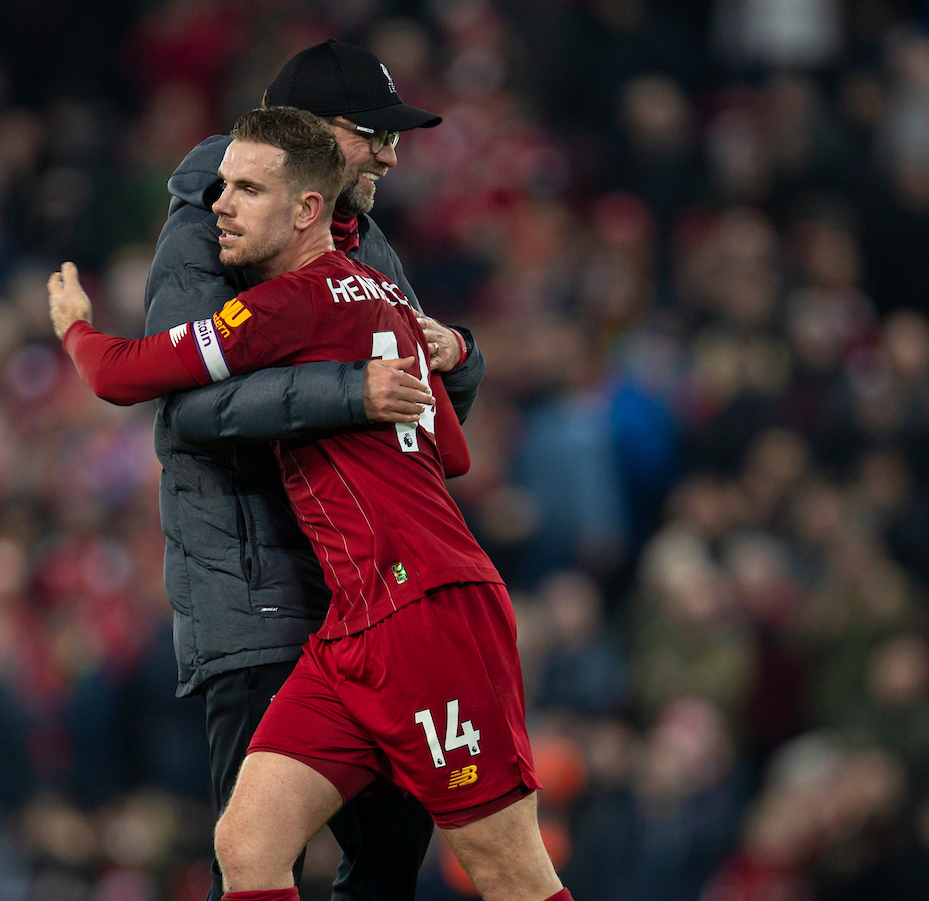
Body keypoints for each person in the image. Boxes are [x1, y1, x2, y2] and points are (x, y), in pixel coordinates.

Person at [49, 106, 571, 901]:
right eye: (221, 186)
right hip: (353, 623)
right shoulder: (384, 299)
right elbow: (453, 452)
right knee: (248, 844)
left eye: (247, 190)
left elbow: (123, 374)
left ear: (305, 209)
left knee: (508, 871)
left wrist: (76, 330)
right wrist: (432, 358)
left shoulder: (296, 303)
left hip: (428, 612)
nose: (218, 204)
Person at [142, 40, 485, 901]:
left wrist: (462, 358)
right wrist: (350, 391)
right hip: (258, 598)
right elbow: (184, 406)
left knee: (396, 839)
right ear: (310, 136)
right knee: (258, 859)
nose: (392, 154)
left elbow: (417, 432)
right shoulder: (203, 228)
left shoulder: (363, 241)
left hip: (366, 598)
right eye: (374, 133)